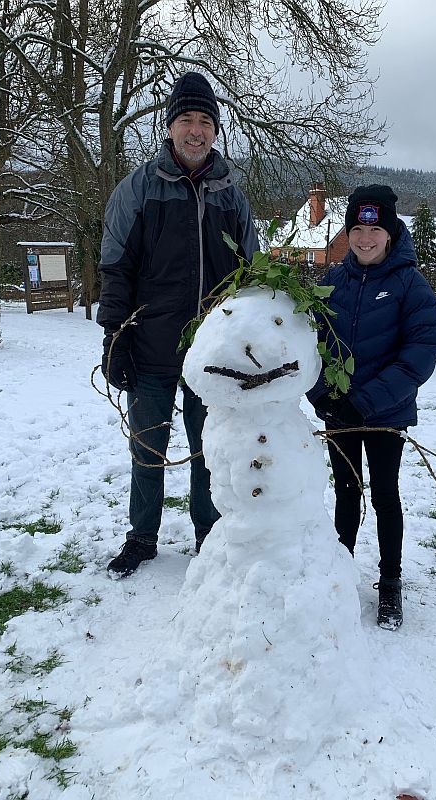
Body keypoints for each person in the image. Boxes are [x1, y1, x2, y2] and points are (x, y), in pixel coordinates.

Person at [97, 71, 259, 577]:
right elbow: (115, 268)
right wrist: (114, 336)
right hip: (149, 350)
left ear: (215, 130)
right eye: (186, 119)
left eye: (205, 120)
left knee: (206, 452)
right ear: (169, 128)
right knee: (147, 450)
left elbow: (251, 276)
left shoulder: (231, 196)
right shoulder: (138, 190)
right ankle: (142, 537)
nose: (196, 130)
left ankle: (207, 538)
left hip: (210, 358)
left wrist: (250, 344)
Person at [307, 185, 436, 629]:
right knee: (346, 494)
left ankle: (390, 583)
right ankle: (341, 576)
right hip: (338, 413)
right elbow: (310, 345)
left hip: (385, 414)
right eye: (358, 228)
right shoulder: (330, 282)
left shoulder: (411, 285)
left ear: (391, 232)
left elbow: (420, 353)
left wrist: (364, 404)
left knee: (385, 495)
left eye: (375, 229)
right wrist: (320, 394)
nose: (366, 238)